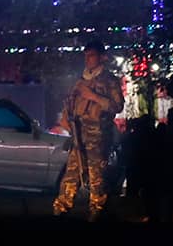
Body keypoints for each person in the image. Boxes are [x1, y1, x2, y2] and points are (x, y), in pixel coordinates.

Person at [53, 40, 125, 221]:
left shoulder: (109, 81)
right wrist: (65, 118)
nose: (88, 59)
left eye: (91, 55)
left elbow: (117, 106)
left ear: (102, 57)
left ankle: (97, 209)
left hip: (98, 135)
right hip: (79, 133)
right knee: (71, 172)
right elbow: (69, 103)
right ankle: (62, 207)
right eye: (86, 55)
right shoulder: (80, 81)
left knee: (96, 175)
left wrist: (93, 96)